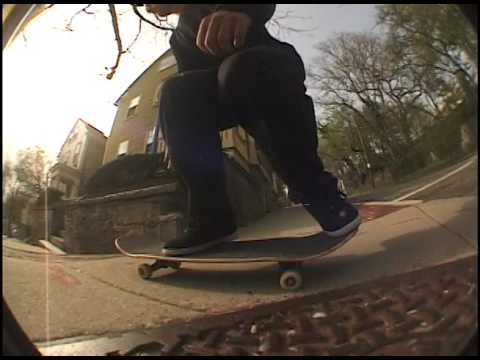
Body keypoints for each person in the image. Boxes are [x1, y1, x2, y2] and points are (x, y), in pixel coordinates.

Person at [144, 4, 361, 256]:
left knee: (238, 70)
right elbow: (192, 87)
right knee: (175, 93)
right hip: (225, 92)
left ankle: (322, 195)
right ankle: (212, 218)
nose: (149, 8)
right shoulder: (179, 37)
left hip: (271, 69)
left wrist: (241, 11)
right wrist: (180, 135)